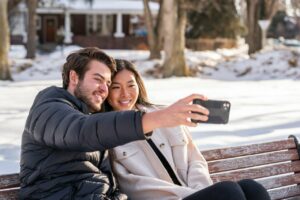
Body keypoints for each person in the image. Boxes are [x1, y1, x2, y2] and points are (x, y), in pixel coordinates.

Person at [19, 47, 209, 200]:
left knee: (236, 189)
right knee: (227, 193)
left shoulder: (93, 119)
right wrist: (158, 118)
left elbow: (107, 183)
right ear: (74, 77)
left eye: (108, 83)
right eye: (98, 79)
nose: (104, 89)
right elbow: (81, 131)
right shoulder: (49, 109)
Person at [107, 59, 271, 200]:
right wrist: (187, 195)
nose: (125, 94)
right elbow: (133, 185)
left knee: (252, 188)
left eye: (131, 85)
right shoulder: (106, 132)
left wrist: (200, 192)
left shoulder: (165, 115)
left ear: (139, 85)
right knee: (228, 192)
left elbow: (195, 160)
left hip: (194, 193)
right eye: (116, 87)